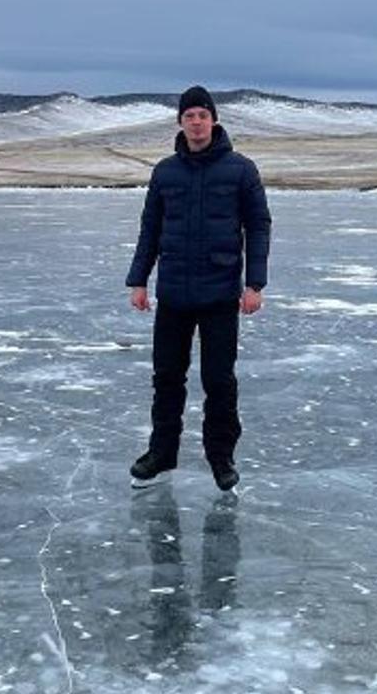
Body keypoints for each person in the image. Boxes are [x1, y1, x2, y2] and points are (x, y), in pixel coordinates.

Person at [125, 85, 271, 492]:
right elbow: (150, 228)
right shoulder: (165, 172)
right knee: (167, 377)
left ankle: (221, 459)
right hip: (173, 292)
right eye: (189, 115)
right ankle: (161, 454)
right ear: (180, 122)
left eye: (202, 115)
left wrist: (255, 283)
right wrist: (138, 280)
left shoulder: (241, 169)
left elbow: (258, 226)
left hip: (220, 292)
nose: (196, 122)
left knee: (219, 380)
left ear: (214, 120)